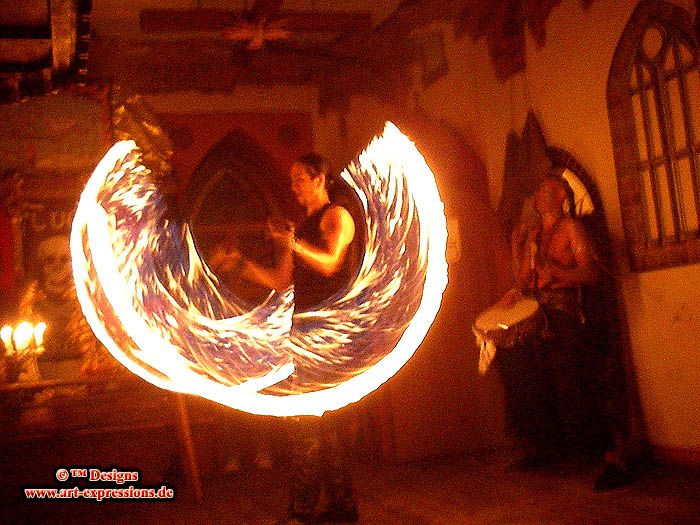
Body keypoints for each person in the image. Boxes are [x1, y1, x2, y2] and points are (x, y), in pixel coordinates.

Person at [209, 153, 359, 523]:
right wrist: (239, 263)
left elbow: (330, 263)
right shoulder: (302, 227)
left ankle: (301, 513)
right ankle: (342, 507)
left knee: (306, 426)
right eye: (291, 179)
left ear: (320, 179)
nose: (292, 186)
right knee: (325, 427)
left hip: (330, 333)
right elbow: (281, 281)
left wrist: (291, 242)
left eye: (299, 179)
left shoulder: (336, 217)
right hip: (305, 332)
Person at [495, 173, 614, 476]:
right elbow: (522, 280)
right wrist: (514, 246)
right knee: (515, 367)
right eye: (537, 190)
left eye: (544, 188)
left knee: (570, 377)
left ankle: (597, 454)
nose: (538, 194)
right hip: (534, 314)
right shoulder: (532, 233)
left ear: (561, 194)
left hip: (563, 312)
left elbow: (590, 273)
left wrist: (557, 272)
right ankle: (541, 447)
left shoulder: (572, 228)